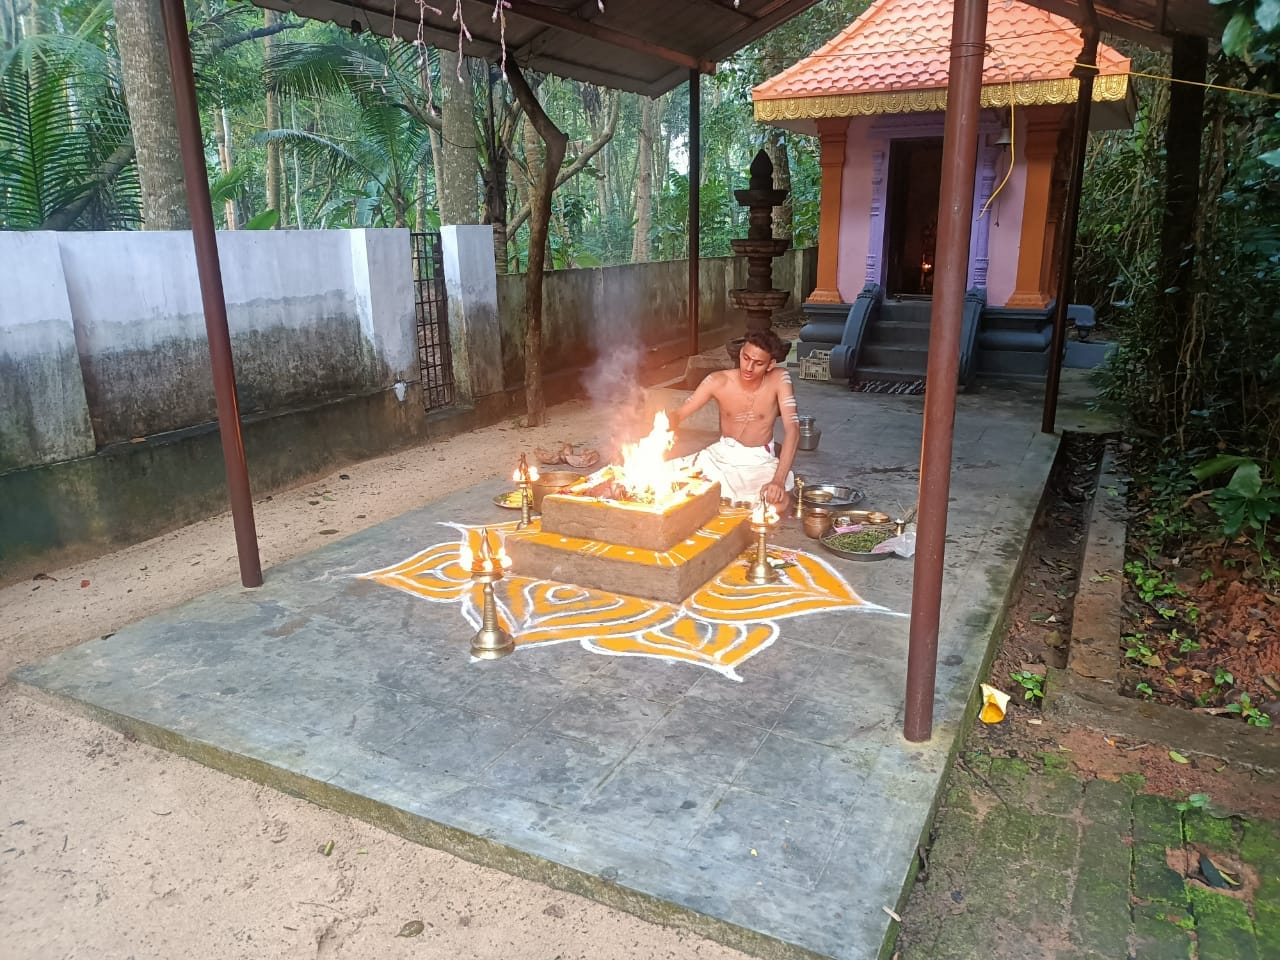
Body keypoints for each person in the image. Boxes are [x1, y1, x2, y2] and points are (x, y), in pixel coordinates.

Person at [670, 329, 799, 507]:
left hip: (759, 460)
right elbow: (679, 413)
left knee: (776, 502)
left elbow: (793, 429)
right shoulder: (717, 380)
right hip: (721, 455)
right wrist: (664, 427)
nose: (749, 367)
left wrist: (778, 480)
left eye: (758, 363)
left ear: (770, 365)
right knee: (668, 478)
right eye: (746, 358)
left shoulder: (779, 378)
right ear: (740, 353)